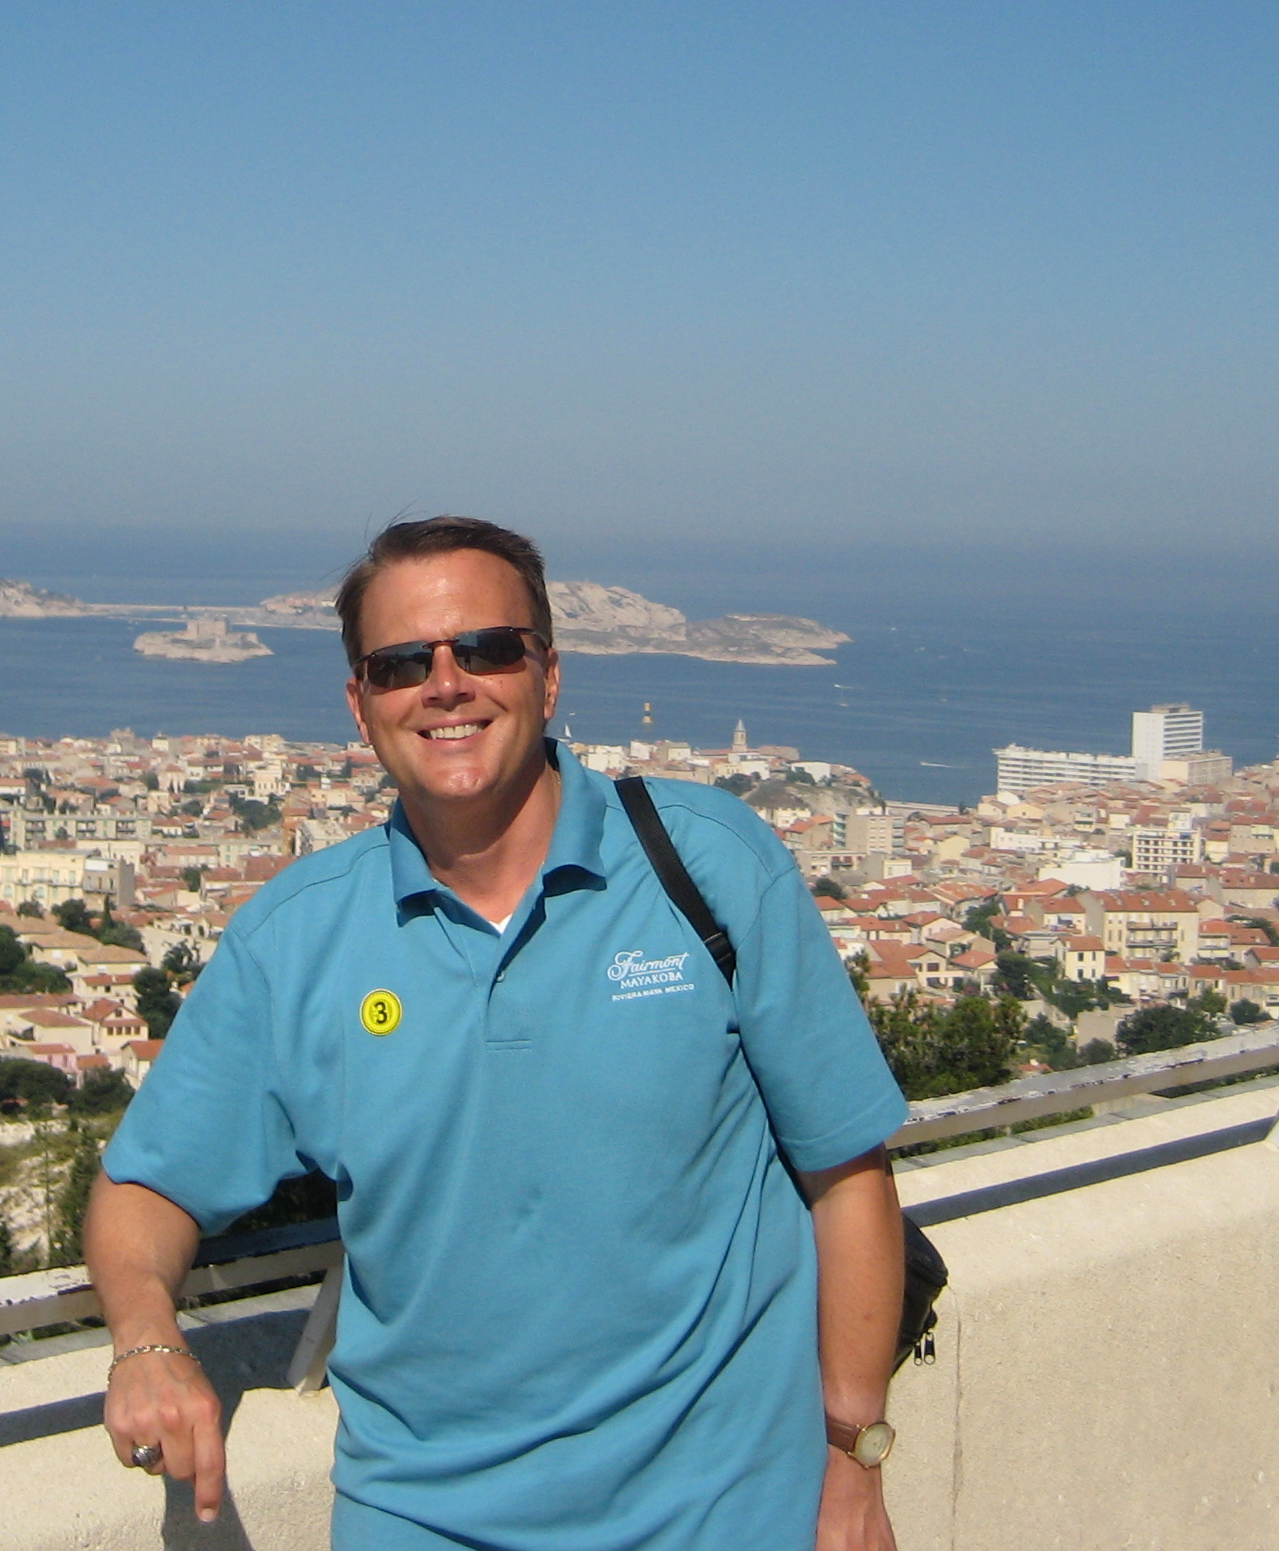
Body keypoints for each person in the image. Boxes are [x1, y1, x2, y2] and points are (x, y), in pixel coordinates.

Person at [89, 516, 911, 1551]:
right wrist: (148, 1342)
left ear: (549, 675)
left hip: (729, 1516)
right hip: (423, 1522)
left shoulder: (709, 869)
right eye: (401, 664)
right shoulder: (295, 943)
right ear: (360, 704)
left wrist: (854, 1457)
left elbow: (849, 1176)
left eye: (486, 649)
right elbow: (145, 1189)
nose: (447, 685)